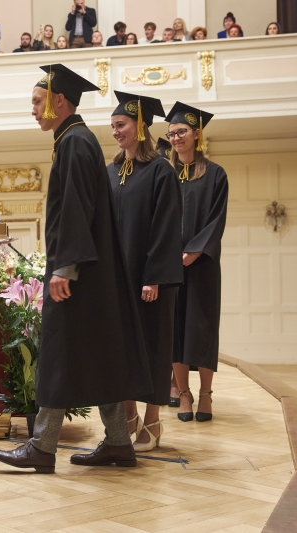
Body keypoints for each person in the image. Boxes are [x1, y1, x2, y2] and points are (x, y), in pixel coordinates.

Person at [0, 65, 152, 473]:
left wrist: (65, 267)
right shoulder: (73, 139)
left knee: (60, 355)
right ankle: (118, 442)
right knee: (98, 354)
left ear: (59, 101)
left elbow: (77, 210)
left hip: (77, 275)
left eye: (37, 102)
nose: (33, 110)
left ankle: (41, 447)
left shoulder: (76, 142)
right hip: (89, 275)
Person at [107, 92, 183, 452]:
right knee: (121, 350)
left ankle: (152, 420)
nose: (115, 132)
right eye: (112, 126)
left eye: (120, 125)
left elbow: (166, 227)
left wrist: (153, 275)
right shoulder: (110, 172)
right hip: (119, 280)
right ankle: (128, 417)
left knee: (153, 347)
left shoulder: (160, 171)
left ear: (140, 127)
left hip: (151, 279)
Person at [166, 102, 228, 424]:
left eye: (181, 132)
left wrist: (195, 250)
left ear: (196, 134)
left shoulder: (216, 174)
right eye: (172, 133)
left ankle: (205, 394)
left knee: (201, 329)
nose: (176, 138)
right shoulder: (165, 174)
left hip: (202, 265)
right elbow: (158, 219)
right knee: (175, 329)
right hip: (171, 266)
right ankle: (184, 393)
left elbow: (216, 219)